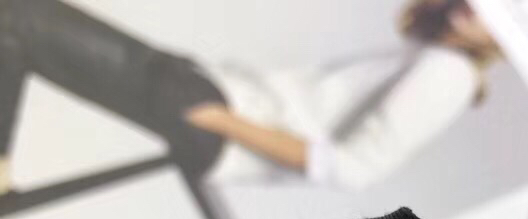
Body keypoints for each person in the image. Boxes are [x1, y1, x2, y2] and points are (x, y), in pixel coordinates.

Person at [0, 0, 501, 194]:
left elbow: (350, 168)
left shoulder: (451, 73)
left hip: (218, 117)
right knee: (15, 29)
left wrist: (225, 123)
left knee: (16, 17)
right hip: (211, 91)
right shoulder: (434, 58)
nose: (481, 7)